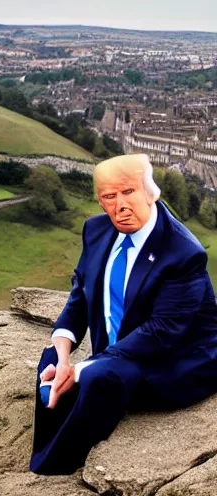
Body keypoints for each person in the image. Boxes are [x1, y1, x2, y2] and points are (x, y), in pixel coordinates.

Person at [30, 153, 217, 475]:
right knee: (51, 361)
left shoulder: (184, 254)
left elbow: (162, 331)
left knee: (100, 377)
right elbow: (81, 294)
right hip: (121, 347)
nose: (120, 205)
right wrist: (63, 351)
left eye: (128, 192)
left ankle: (57, 468)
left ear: (150, 191)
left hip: (173, 356)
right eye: (109, 197)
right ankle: (44, 442)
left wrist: (83, 367)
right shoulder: (97, 230)